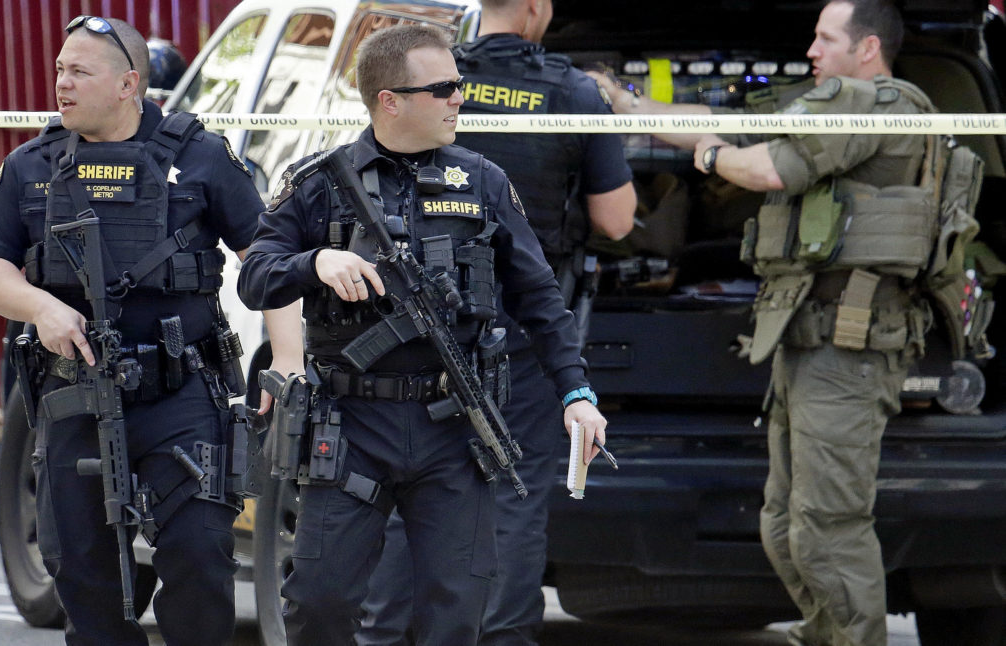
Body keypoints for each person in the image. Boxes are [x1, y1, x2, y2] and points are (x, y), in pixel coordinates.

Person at [237, 23, 608, 646]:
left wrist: (576, 394)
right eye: (444, 89)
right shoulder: (319, 181)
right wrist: (315, 264)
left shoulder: (482, 181)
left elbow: (541, 299)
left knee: (456, 612)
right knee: (319, 604)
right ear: (391, 99)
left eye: (458, 86)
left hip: (453, 428)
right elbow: (254, 276)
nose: (461, 98)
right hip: (351, 423)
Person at [595, 2, 930, 644]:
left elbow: (765, 167)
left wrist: (713, 155)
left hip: (849, 344)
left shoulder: (877, 104)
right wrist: (625, 103)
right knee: (785, 522)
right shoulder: (832, 106)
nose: (809, 49)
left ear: (866, 50)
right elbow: (717, 123)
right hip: (807, 341)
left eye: (824, 38)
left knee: (829, 522)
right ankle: (824, 633)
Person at [0, 16, 282, 646]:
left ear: (128, 83)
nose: (60, 82)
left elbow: (269, 264)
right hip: (73, 394)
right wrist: (41, 308)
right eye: (59, 69)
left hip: (181, 395)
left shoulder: (201, 158)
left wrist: (288, 364)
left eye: (78, 71)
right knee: (84, 579)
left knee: (199, 561)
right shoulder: (32, 164)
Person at [357, 1, 635, 644]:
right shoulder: (572, 92)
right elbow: (617, 220)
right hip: (521, 330)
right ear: (538, 10)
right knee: (512, 489)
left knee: (405, 489)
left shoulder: (425, 74)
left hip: (412, 331)